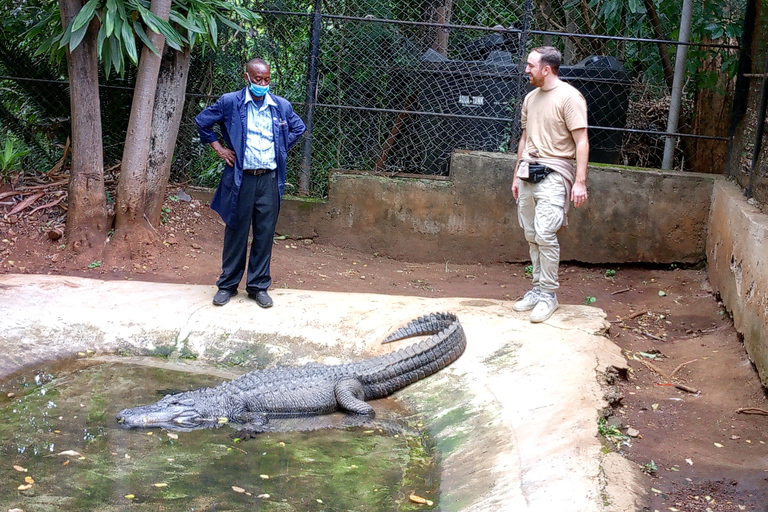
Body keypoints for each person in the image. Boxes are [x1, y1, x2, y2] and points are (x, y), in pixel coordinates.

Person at [195, 58, 306, 308]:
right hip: (241, 178)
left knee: (265, 233)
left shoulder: (281, 106)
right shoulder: (230, 102)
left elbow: (299, 128)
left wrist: (280, 149)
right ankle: (227, 285)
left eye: (266, 80)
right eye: (257, 79)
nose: (262, 84)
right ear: (247, 78)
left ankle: (258, 287)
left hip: (269, 179)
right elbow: (202, 121)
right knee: (236, 230)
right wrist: (219, 149)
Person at [511, 46, 589, 323]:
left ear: (546, 69)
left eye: (531, 66)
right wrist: (515, 175)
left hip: (555, 171)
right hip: (527, 170)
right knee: (531, 233)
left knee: (545, 233)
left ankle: (549, 295)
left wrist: (580, 182)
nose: (527, 70)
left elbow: (581, 140)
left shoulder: (569, 97)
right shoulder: (531, 98)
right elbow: (524, 138)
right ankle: (536, 289)